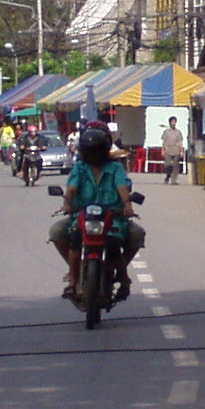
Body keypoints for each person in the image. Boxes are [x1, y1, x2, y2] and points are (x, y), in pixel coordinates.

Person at [50, 125, 143, 300]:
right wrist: (67, 203)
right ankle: (73, 277)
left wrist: (127, 206)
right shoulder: (80, 168)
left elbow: (122, 186)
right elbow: (72, 187)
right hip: (81, 218)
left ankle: (123, 277)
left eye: (97, 151)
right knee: (58, 232)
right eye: (90, 151)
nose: (93, 155)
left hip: (113, 218)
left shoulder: (115, 168)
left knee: (134, 235)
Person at [161, 117, 186, 185]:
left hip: (176, 150)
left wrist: (181, 151)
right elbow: (164, 141)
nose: (173, 123)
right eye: (172, 122)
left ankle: (174, 180)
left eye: (174, 122)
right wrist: (163, 150)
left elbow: (180, 142)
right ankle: (168, 175)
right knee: (167, 165)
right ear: (170, 123)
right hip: (168, 150)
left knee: (175, 166)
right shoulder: (166, 131)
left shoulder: (178, 132)